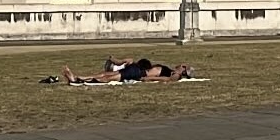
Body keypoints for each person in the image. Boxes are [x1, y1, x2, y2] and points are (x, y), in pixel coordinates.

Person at [62, 58, 192, 83]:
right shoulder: (171, 70)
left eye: (183, 65)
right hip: (136, 69)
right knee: (106, 74)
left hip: (137, 73)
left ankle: (77, 80)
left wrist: (149, 78)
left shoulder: (175, 75)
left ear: (184, 70)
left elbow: (168, 79)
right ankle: (78, 77)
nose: (180, 64)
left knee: (108, 78)